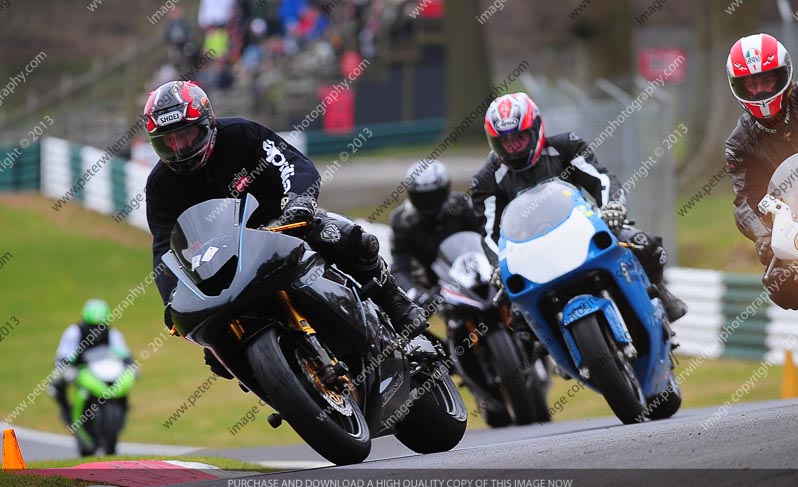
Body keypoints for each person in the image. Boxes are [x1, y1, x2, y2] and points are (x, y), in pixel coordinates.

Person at [143, 80, 426, 378]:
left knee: (343, 237)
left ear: (207, 123)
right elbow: (165, 246)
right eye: (168, 142)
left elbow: (290, 163)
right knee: (215, 349)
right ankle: (278, 383)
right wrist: (171, 298)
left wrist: (299, 201)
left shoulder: (240, 134)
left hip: (284, 223)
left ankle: (394, 302)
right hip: (226, 258)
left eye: (186, 136)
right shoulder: (160, 185)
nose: (180, 149)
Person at [471, 92, 687, 323]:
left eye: (519, 138)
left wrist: (612, 206)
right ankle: (540, 344)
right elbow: (490, 232)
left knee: (643, 244)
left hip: (582, 231)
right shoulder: (487, 179)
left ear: (535, 129)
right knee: (514, 312)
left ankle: (659, 293)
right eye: (505, 142)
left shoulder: (566, 146)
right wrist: (499, 264)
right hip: (529, 255)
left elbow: (600, 178)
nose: (513, 147)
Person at [725, 33, 798, 309]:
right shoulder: (740, 142)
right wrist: (763, 235)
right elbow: (746, 200)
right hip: (795, 220)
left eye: (766, 80)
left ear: (783, 76)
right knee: (781, 282)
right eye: (751, 84)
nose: (760, 91)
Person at [389, 160, 482, 307]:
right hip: (431, 288)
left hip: (472, 274)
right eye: (422, 197)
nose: (428, 202)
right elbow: (400, 266)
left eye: (433, 196)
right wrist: (414, 292)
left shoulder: (462, 206)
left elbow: (483, 239)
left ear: (446, 188)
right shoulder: (402, 221)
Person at [49, 299, 132, 427]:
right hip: (80, 369)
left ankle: (123, 409)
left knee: (123, 385)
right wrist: (67, 368)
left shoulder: (112, 334)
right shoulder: (74, 332)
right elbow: (63, 355)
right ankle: (66, 411)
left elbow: (123, 353)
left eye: (100, 326)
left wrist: (130, 365)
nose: (96, 331)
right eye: (92, 326)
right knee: (56, 385)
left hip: (102, 370)